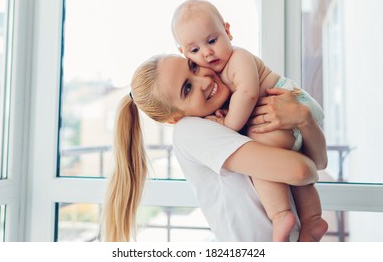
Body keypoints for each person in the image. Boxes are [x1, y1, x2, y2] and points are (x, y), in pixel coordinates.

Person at [102, 53, 327, 242]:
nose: (205, 81)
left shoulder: (233, 112)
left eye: (193, 67)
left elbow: (320, 163)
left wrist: (303, 118)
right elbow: (302, 171)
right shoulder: (189, 131)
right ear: (173, 118)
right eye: (187, 88)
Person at [171, 0, 328, 241]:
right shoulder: (192, 124)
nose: (207, 52)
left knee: (263, 150)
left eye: (212, 41)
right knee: (284, 167)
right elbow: (311, 164)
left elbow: (248, 93)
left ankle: (280, 215)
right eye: (195, 51)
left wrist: (228, 124)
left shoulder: (238, 58)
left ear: (228, 31)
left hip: (292, 103)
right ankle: (312, 220)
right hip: (286, 119)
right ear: (184, 54)